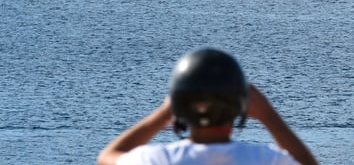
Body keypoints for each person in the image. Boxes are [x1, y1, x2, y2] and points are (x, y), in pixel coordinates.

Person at [98, 48, 318, 165]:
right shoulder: (263, 159)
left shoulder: (157, 159)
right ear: (239, 106)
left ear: (178, 106)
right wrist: (270, 117)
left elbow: (107, 157)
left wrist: (161, 115)